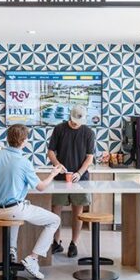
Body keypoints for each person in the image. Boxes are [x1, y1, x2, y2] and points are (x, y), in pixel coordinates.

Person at [0, 124, 65, 280]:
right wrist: (53, 173)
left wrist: (0, 182)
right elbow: (41, 187)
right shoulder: (24, 162)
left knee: (20, 209)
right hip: (12, 210)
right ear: (24, 141)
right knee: (54, 220)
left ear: (8, 138)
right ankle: (33, 259)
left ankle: (12, 250)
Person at [47, 104, 96, 258]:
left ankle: (74, 243)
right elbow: (50, 152)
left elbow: (90, 157)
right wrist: (57, 164)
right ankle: (56, 242)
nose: (75, 124)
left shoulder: (88, 132)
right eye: (74, 120)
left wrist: (80, 173)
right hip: (60, 177)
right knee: (56, 209)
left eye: (78, 121)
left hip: (80, 179)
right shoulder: (59, 129)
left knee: (78, 210)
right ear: (70, 116)